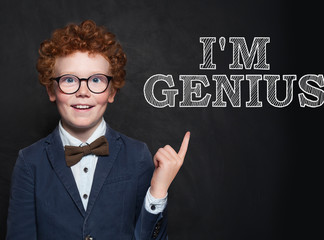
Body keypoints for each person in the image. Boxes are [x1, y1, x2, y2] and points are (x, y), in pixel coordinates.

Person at [6, 19, 190, 240]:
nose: (83, 91)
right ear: (51, 90)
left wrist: (157, 192)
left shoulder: (138, 155)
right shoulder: (29, 162)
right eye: (69, 80)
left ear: (111, 92)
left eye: (96, 80)